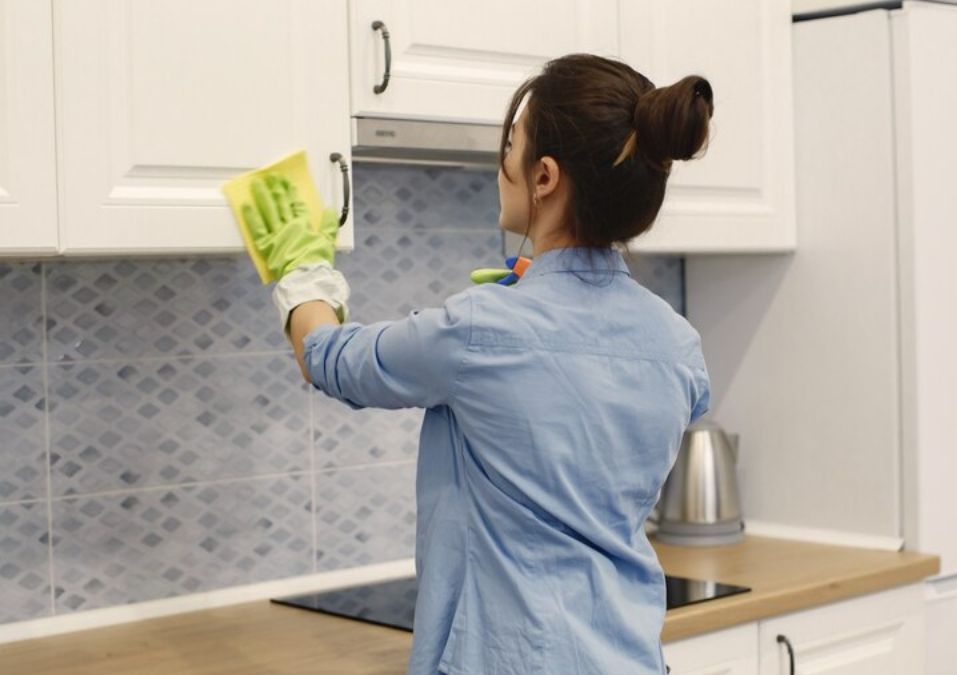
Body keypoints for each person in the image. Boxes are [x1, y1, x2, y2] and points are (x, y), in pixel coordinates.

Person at [252, 53, 713, 675]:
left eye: (510, 145)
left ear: (544, 176)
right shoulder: (677, 344)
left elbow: (329, 358)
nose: (500, 165)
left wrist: (301, 270)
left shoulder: (479, 330)